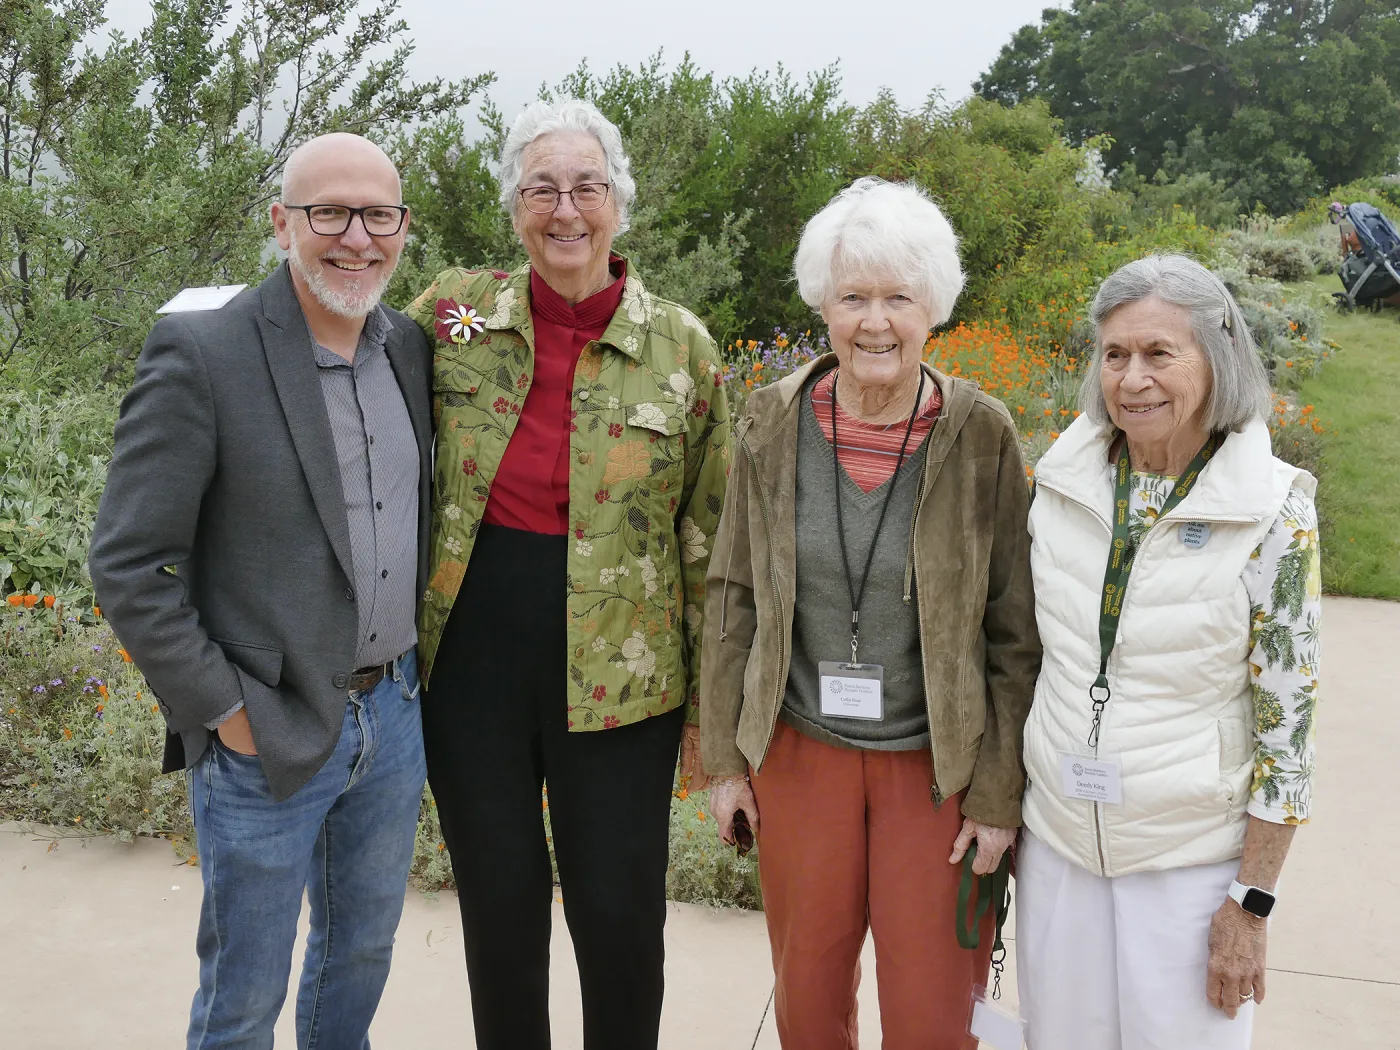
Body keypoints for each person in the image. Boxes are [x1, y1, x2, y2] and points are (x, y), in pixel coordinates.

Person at [89, 133, 433, 1048]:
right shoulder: (204, 353)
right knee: (245, 991)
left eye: (378, 215)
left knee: (359, 959)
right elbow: (129, 562)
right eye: (329, 212)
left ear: (404, 229)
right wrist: (222, 710)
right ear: (282, 223)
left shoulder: (409, 348)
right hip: (265, 727)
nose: (355, 237)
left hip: (392, 718)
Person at [402, 98, 731, 1050]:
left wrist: (715, 717)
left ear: (619, 204)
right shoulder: (451, 317)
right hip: (472, 661)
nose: (566, 209)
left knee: (621, 915)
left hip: (624, 673)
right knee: (500, 908)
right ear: (513, 207)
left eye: (587, 187)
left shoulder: (682, 347)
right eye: (541, 188)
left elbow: (713, 540)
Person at [700, 177, 1041, 1049]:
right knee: (807, 995)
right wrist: (725, 760)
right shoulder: (773, 421)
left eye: (899, 297)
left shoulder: (982, 434)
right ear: (824, 305)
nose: (876, 322)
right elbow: (734, 594)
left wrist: (998, 794)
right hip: (800, 752)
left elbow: (1012, 630)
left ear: (936, 307)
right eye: (853, 297)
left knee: (933, 1009)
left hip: (937, 768)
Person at [1016, 254, 1321, 1049]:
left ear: (1216, 358)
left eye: (1159, 354)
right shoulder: (1061, 483)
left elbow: (1290, 726)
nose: (1133, 379)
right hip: (1058, 850)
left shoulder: (1272, 509)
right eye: (1115, 355)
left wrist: (1251, 904)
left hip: (1188, 868)